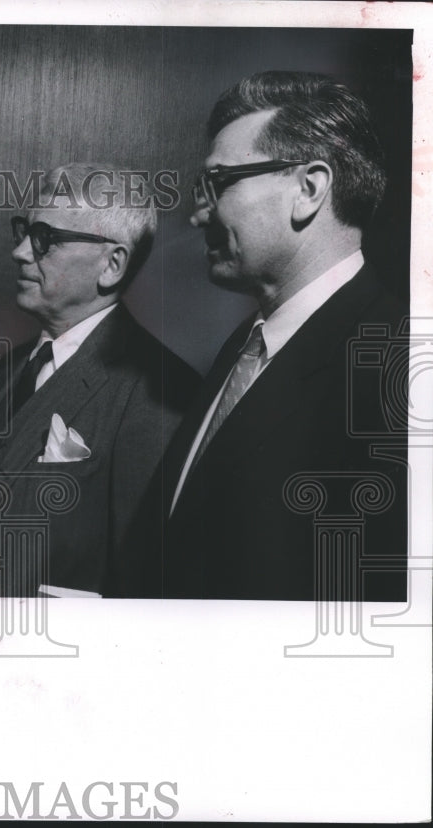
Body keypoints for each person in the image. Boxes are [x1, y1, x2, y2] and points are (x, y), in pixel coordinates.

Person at [152, 71, 408, 600]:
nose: (197, 214)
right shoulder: (246, 346)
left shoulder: (399, 367)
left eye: (219, 183)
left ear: (309, 190)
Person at [0, 163, 198, 598]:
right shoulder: (7, 370)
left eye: (46, 240)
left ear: (112, 265)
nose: (20, 252)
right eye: (24, 232)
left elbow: (139, 583)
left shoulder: (159, 392)